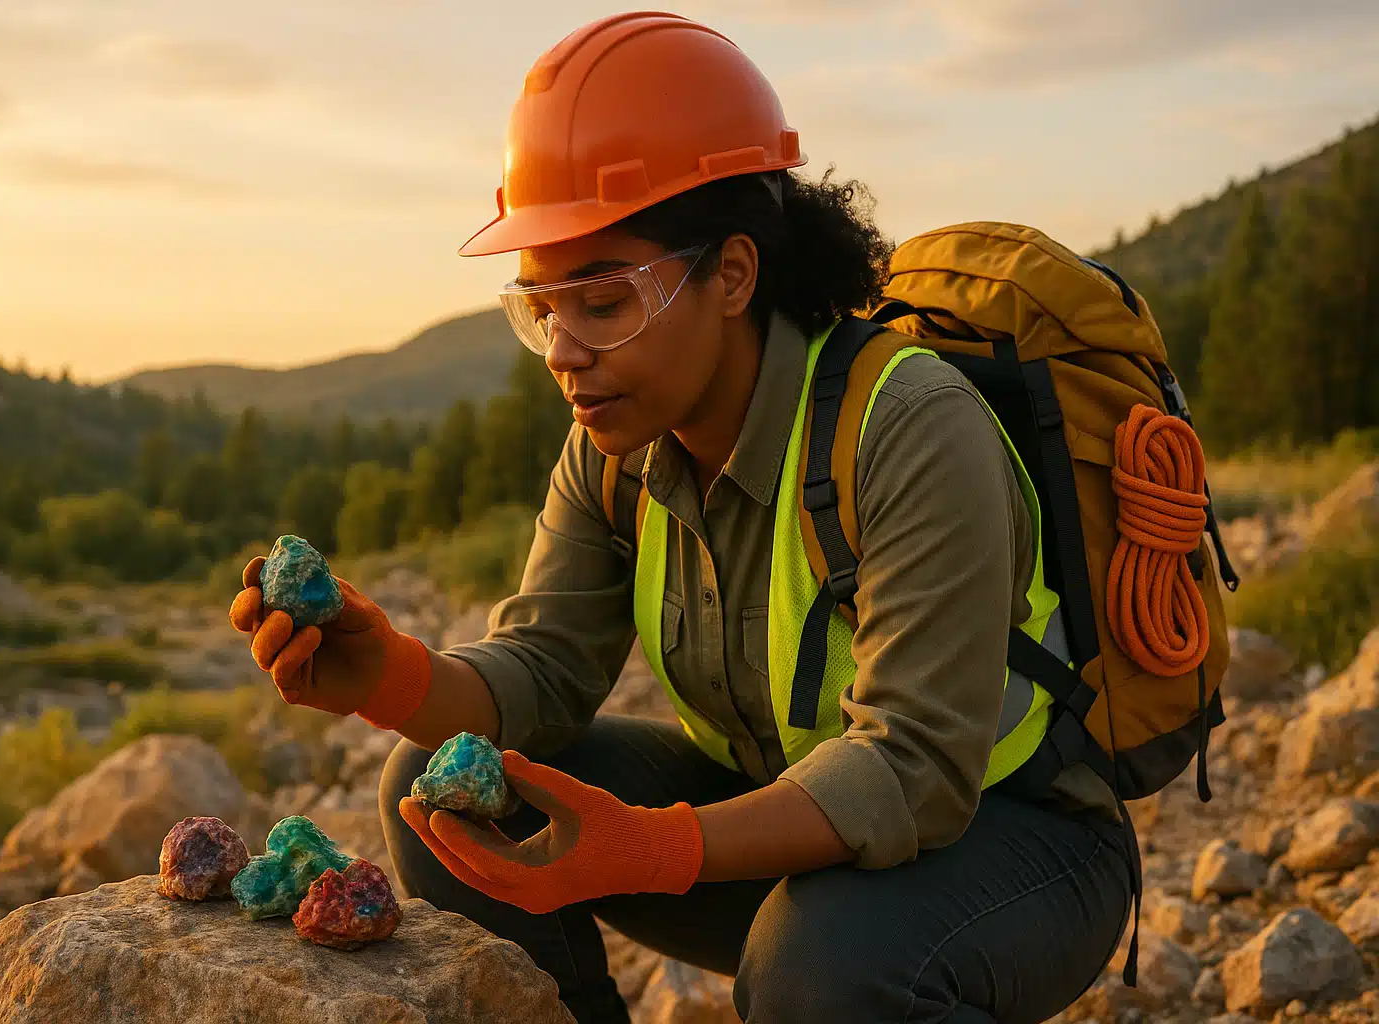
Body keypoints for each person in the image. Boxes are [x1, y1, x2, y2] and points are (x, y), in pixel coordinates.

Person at [230, 11, 1133, 1023]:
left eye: (602, 303)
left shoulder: (908, 428)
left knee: (819, 970)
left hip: (1013, 841)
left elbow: (915, 767)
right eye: (542, 307)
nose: (565, 349)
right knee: (440, 782)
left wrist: (658, 847)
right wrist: (388, 676)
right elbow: (544, 670)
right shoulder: (618, 442)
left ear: (734, 273)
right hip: (793, 827)